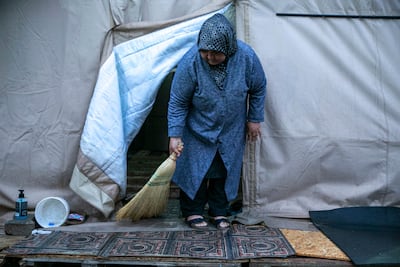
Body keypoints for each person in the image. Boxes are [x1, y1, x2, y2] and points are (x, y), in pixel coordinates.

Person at [168, 13, 266, 230]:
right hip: (196, 129)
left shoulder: (247, 57)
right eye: (205, 51)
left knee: (224, 170)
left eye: (215, 53)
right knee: (196, 169)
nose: (209, 57)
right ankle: (192, 210)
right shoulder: (191, 61)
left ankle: (218, 211)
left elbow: (258, 88)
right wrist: (175, 135)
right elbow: (178, 101)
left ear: (228, 48)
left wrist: (254, 119)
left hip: (231, 128)